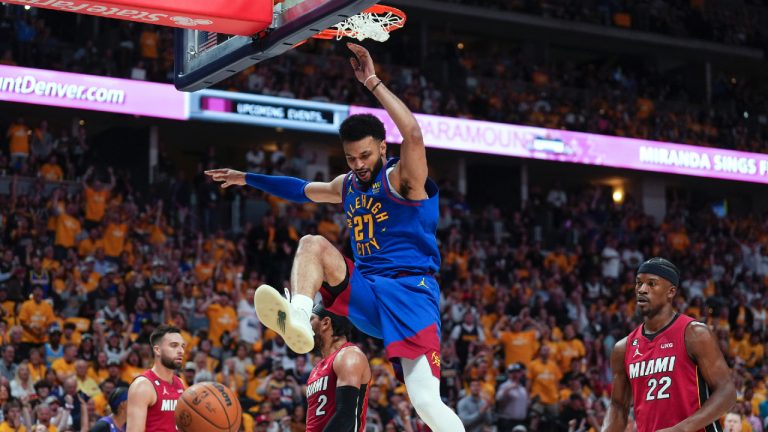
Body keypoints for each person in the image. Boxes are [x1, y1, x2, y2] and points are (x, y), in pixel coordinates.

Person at [206, 43, 464, 431]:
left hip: (412, 293)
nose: (358, 165)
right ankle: (299, 316)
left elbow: (412, 134)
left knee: (426, 403)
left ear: (381, 147)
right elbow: (302, 189)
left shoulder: (403, 181)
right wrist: (248, 178)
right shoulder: (348, 185)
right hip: (368, 288)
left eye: (364, 156)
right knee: (312, 243)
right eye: (350, 159)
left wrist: (372, 81)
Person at [601, 258, 736, 432]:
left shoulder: (694, 333)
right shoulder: (623, 348)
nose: (642, 289)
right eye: (638, 283)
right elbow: (618, 406)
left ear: (671, 292)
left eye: (651, 284)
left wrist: (680, 429)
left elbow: (727, 393)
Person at [305, 303, 371, 432]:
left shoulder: (349, 355)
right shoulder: (316, 369)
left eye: (311, 319)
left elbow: (346, 415)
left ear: (325, 323)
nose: (307, 326)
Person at [126, 325, 186, 432]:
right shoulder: (142, 386)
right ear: (157, 350)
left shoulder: (180, 383)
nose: (181, 351)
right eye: (174, 345)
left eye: (182, 346)